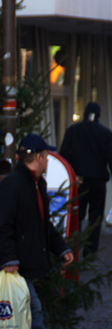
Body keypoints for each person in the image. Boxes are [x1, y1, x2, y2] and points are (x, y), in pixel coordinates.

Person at [0, 134, 81, 329]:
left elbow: (43, 226)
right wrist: (9, 259)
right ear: (40, 157)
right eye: (47, 156)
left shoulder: (36, 184)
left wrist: (62, 248)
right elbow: (1, 227)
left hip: (21, 261)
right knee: (32, 311)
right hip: (14, 264)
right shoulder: (12, 185)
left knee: (12, 313)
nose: (48, 160)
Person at [60, 102, 112, 257]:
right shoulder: (106, 134)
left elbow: (64, 154)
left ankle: (73, 251)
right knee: (95, 219)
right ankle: (89, 253)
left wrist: (71, 174)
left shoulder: (73, 131)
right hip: (98, 181)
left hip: (79, 180)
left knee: (77, 216)